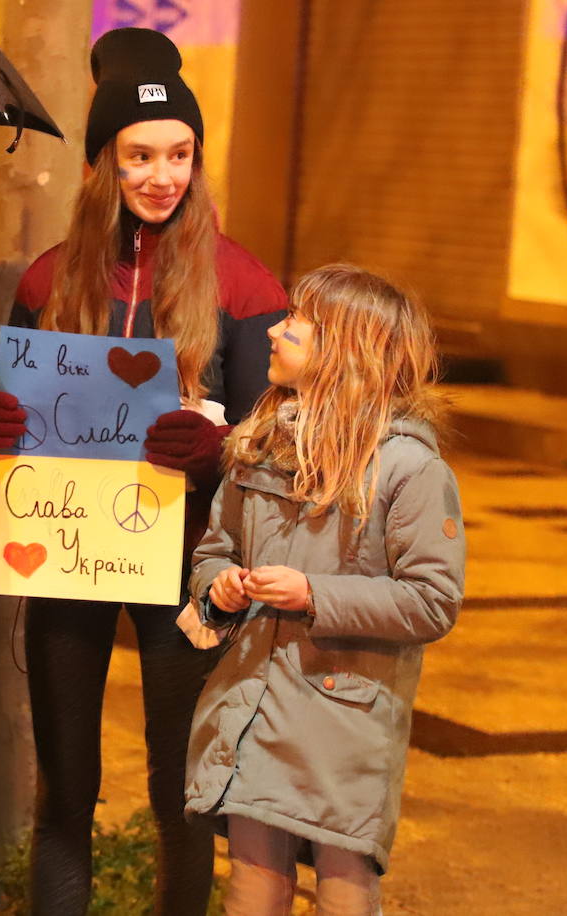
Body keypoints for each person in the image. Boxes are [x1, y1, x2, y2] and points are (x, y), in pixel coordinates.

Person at [0, 27, 288, 915]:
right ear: (102, 162)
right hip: (68, 560)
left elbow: (280, 448)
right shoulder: (46, 280)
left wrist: (220, 451)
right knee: (65, 792)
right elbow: (11, 442)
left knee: (182, 793)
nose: (162, 175)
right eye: (140, 154)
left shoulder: (244, 284)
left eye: (180, 154)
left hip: (187, 572)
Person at [177, 265, 467, 915]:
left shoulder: (410, 467)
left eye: (298, 320)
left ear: (347, 347)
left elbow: (432, 599)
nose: (276, 331)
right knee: (252, 885)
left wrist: (314, 593)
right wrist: (216, 590)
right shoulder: (259, 448)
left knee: (344, 888)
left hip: (345, 719)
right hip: (254, 699)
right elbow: (215, 552)